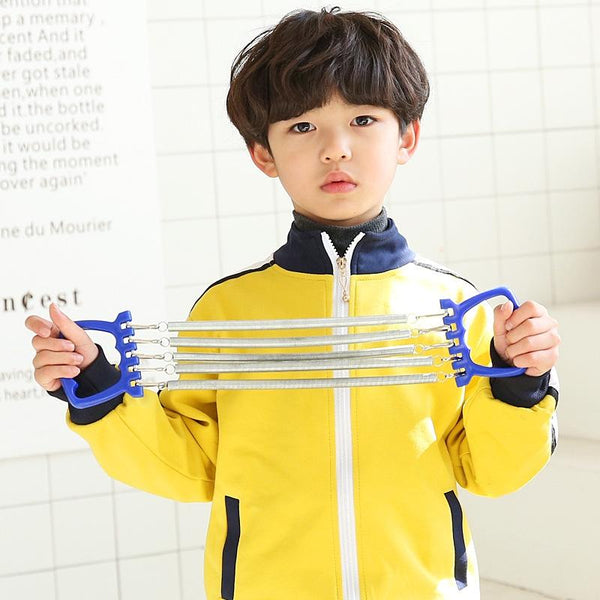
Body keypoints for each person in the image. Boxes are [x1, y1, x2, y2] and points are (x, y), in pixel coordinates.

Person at [25, 7, 561, 599]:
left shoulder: (460, 307)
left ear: (406, 137)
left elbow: (492, 471)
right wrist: (97, 386)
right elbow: (189, 467)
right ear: (264, 153)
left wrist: (520, 383)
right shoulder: (228, 310)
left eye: (363, 119)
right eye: (302, 126)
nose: (336, 149)